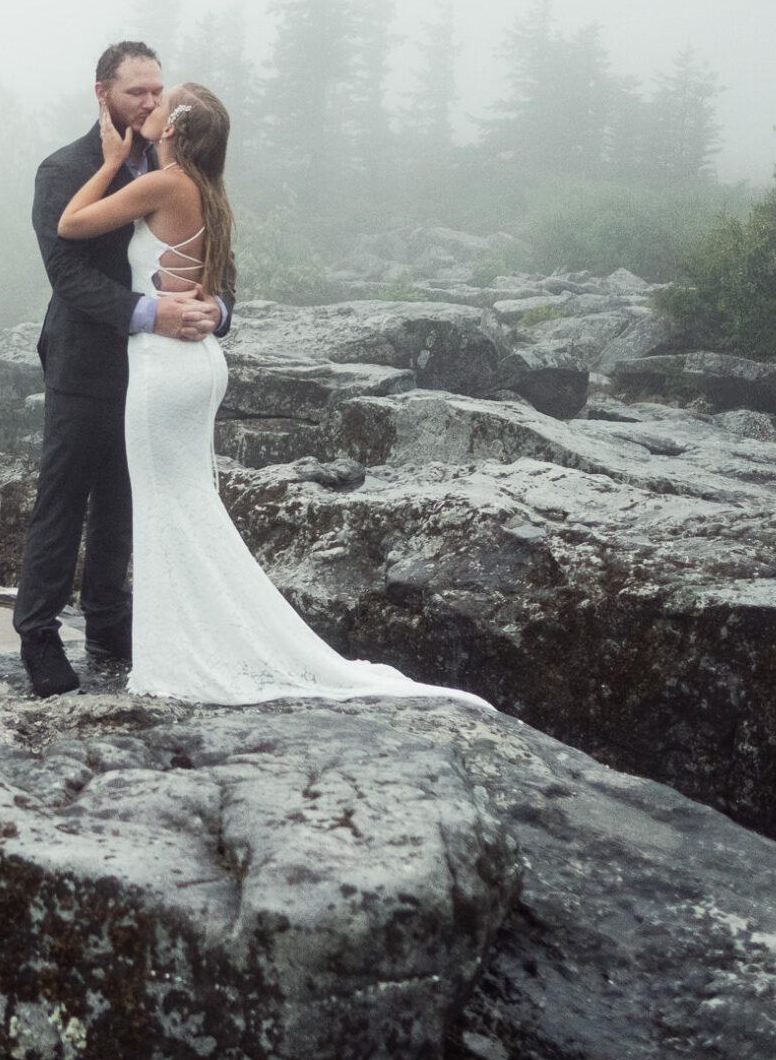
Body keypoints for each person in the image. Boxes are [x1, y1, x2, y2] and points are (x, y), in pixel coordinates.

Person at [53, 77, 492, 708]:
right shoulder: (209, 191)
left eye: (162, 102)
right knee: (189, 504)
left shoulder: (164, 182)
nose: (148, 108)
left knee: (163, 508)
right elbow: (215, 284)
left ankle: (178, 658)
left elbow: (71, 224)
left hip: (163, 366)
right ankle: (202, 636)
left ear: (173, 128)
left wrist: (114, 162)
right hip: (199, 362)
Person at [14, 41, 225, 695]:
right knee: (64, 497)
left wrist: (215, 313)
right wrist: (149, 313)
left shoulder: (179, 162)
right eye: (138, 91)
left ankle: (108, 624)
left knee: (122, 500)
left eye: (157, 90)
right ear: (102, 94)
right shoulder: (63, 169)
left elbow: (211, 256)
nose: (152, 102)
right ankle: (39, 637)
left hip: (156, 369)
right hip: (86, 359)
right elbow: (67, 274)